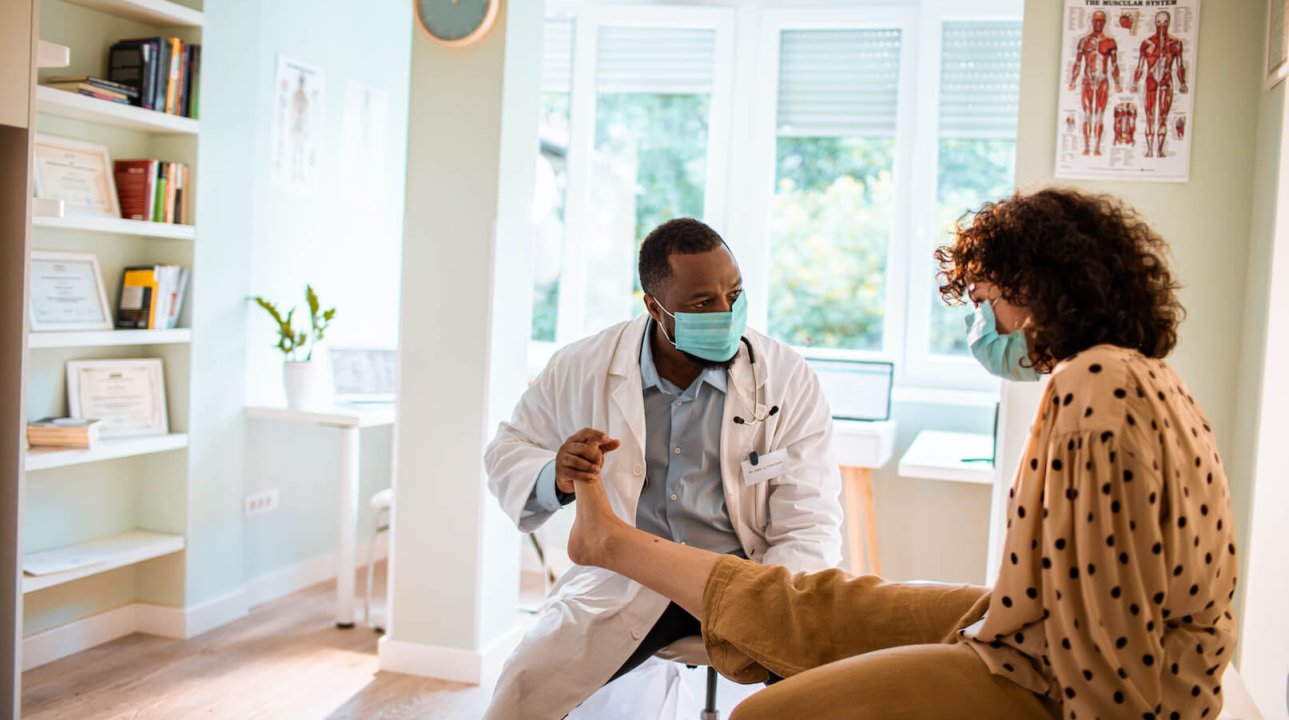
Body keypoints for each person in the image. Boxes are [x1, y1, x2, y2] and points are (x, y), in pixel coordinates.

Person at [565, 189, 1238, 719]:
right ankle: (613, 542)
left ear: (1033, 293)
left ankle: (612, 545)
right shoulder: (1141, 374)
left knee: (767, 714)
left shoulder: (1093, 386)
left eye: (983, 302)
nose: (983, 325)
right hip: (1032, 624)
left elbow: (1109, 640)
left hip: (1056, 670)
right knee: (817, 603)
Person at [484, 218, 844, 719]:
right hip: (628, 579)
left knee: (831, 693)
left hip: (746, 577)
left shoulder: (786, 378)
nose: (726, 312)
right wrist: (557, 475)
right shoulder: (584, 364)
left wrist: (775, 598)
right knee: (522, 690)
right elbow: (509, 447)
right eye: (702, 303)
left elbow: (810, 516)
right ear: (656, 308)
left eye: (734, 294)